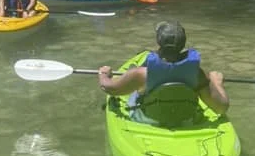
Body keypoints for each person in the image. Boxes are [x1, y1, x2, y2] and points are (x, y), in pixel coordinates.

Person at [97, 21, 229, 125]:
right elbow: (221, 107)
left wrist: (104, 75)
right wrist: (216, 83)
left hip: (148, 119)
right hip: (185, 121)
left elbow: (109, 89)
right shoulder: (197, 74)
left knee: (134, 93)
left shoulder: (140, 74)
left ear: (158, 42)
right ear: (183, 44)